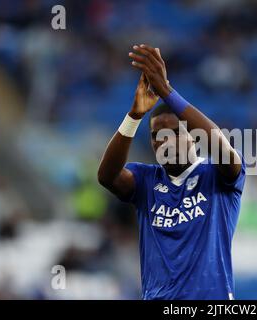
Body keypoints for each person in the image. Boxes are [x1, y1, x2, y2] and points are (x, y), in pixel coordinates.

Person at [98, 44, 246, 300]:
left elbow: (222, 147)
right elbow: (106, 176)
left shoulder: (218, 175)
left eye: (175, 132)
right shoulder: (146, 180)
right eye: (156, 135)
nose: (163, 140)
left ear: (194, 137)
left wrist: (166, 92)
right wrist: (134, 115)